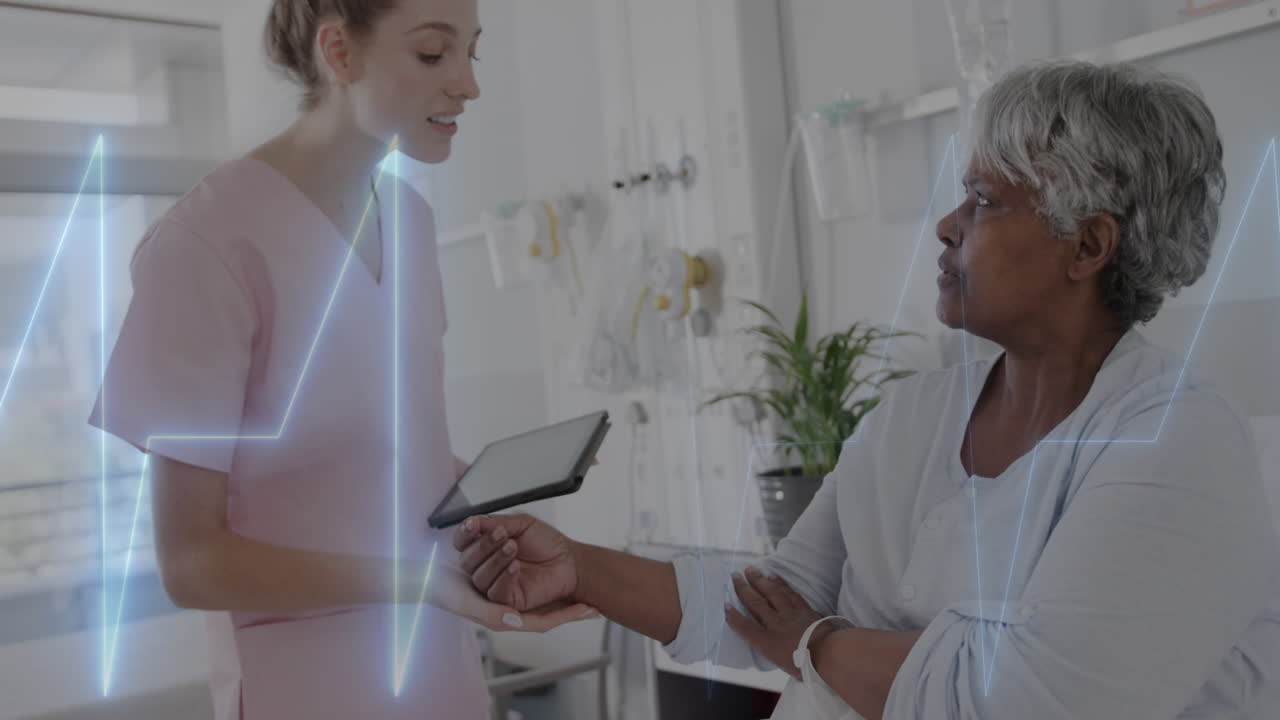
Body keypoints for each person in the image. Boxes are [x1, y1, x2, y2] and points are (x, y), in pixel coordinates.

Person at [455, 60, 1280, 719]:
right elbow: (769, 603)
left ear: (1089, 246)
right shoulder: (913, 416)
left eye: (985, 201)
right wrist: (578, 568)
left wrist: (813, 643)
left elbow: (1026, 703)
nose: (947, 226)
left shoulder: (1178, 443)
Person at [89, 1, 594, 718]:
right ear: (339, 52)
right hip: (308, 687)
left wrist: (487, 499)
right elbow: (193, 564)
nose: (468, 85)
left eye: (471, 53)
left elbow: (380, 454)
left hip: (443, 670)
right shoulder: (206, 245)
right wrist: (415, 582)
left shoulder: (411, 220)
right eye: (432, 54)